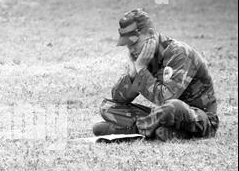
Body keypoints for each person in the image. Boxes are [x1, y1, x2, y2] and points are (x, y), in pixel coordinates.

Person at [93, 9, 219, 141]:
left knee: (173, 106)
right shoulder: (142, 56)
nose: (131, 49)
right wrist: (132, 73)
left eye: (134, 42)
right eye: (127, 44)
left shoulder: (179, 53)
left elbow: (165, 99)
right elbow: (118, 99)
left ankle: (135, 130)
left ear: (151, 34)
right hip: (163, 116)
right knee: (108, 108)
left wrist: (141, 69)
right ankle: (160, 131)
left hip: (198, 118)